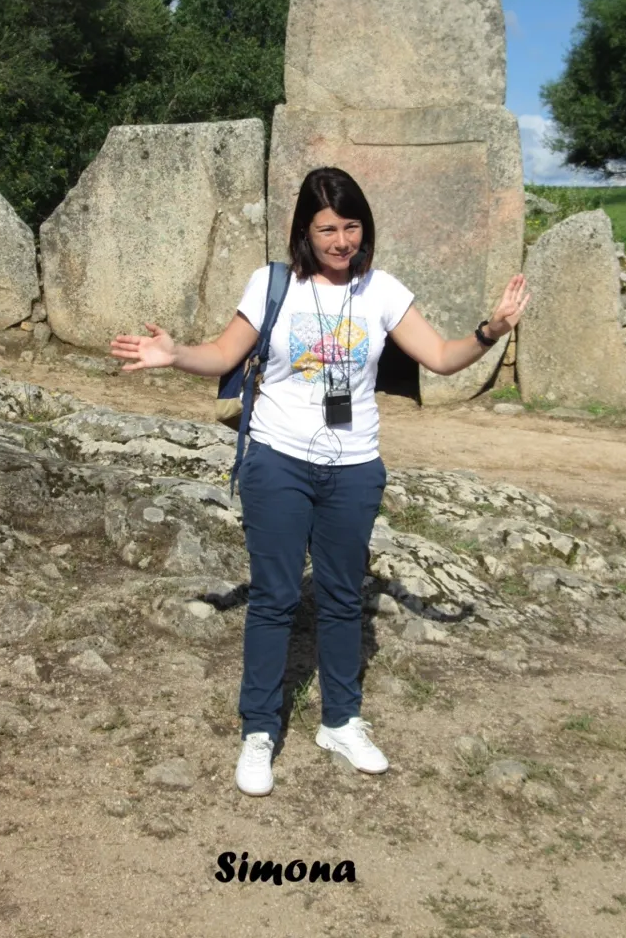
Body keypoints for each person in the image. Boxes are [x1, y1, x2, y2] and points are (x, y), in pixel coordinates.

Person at [110, 166, 530, 797]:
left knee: (340, 597)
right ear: (305, 231)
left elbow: (442, 357)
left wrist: (489, 331)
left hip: (355, 467)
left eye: (351, 226)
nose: (342, 241)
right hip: (277, 460)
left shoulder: (381, 290)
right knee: (275, 597)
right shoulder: (273, 284)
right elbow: (223, 354)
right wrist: (175, 356)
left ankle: (341, 721)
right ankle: (259, 730)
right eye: (328, 229)